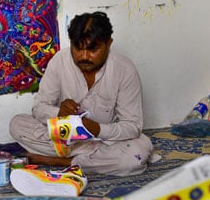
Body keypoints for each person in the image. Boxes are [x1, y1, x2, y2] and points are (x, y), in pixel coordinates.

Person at [9, 11, 156, 176]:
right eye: (78, 48)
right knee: (17, 124)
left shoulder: (125, 69)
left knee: (136, 155)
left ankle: (61, 161)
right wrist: (59, 113)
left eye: (93, 49)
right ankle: (88, 159)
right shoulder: (59, 61)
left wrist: (97, 129)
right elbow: (38, 109)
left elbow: (132, 126)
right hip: (66, 139)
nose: (84, 56)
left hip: (106, 142)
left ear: (109, 43)